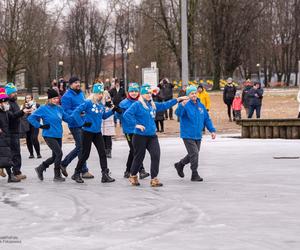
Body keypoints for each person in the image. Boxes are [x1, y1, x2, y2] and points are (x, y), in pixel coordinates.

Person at [123, 83, 188, 187]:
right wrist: (136, 125)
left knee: (156, 155)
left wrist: (178, 99)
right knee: (139, 157)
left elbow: (164, 105)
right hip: (139, 136)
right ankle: (133, 175)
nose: (149, 95)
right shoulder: (137, 104)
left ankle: (154, 179)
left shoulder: (152, 104)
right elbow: (126, 115)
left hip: (152, 136)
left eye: (150, 93)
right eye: (146, 93)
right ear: (142, 94)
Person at [71, 83, 117, 184]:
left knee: (103, 153)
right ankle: (76, 173)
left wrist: (113, 110)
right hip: (87, 132)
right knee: (85, 154)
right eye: (99, 93)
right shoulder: (87, 102)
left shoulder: (101, 105)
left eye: (102, 93)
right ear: (94, 93)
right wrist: (82, 123)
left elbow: (104, 116)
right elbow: (75, 113)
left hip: (97, 132)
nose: (101, 95)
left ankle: (105, 174)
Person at [174, 85, 216, 181]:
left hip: (198, 134)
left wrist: (212, 130)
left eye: (195, 93)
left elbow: (206, 119)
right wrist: (181, 106)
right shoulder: (185, 104)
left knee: (193, 154)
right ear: (188, 95)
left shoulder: (201, 106)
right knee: (195, 153)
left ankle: (180, 165)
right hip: (187, 134)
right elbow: (178, 114)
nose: (194, 95)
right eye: (191, 93)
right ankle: (194, 174)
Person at [28, 89, 71, 182]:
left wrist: (79, 117)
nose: (57, 100)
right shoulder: (43, 108)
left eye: (57, 98)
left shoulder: (59, 108)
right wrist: (40, 125)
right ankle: (57, 175)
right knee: (59, 153)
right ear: (50, 99)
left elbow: (68, 118)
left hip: (58, 135)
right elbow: (31, 118)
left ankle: (40, 168)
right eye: (54, 98)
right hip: (48, 135)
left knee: (55, 156)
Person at [60, 76, 94, 179]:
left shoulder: (81, 94)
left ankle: (68, 165)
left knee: (81, 147)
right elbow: (65, 111)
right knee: (81, 147)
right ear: (70, 85)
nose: (78, 84)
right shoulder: (66, 96)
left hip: (83, 124)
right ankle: (81, 169)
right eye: (75, 83)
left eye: (79, 82)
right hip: (74, 124)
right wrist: (78, 113)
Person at [119, 83, 150, 179]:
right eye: (132, 91)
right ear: (128, 92)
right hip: (129, 130)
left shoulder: (142, 102)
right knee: (136, 150)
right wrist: (119, 114)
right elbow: (119, 116)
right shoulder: (124, 103)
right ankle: (141, 170)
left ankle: (128, 171)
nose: (134, 93)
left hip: (138, 130)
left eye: (136, 91)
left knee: (133, 150)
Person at [5, 83, 30, 180]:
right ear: (8, 94)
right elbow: (11, 116)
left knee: (16, 152)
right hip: (10, 132)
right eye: (13, 92)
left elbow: (17, 115)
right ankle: (15, 172)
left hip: (15, 131)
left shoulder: (14, 102)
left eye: (15, 92)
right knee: (14, 153)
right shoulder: (7, 103)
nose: (15, 94)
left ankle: (16, 171)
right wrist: (22, 112)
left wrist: (24, 111)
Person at [0, 87, 20, 182]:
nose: (7, 105)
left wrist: (23, 111)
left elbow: (14, 116)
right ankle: (10, 176)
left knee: (6, 156)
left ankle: (10, 176)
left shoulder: (6, 112)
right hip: (2, 137)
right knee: (5, 156)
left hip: (5, 137)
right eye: (6, 103)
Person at [20, 95, 41, 159]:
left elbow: (41, 113)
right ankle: (31, 154)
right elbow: (20, 115)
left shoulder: (37, 105)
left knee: (34, 138)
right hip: (26, 124)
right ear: (25, 99)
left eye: (29, 98)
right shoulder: (23, 106)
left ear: (32, 98)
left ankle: (38, 153)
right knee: (28, 139)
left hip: (34, 124)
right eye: (27, 98)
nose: (28, 99)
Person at [101, 91, 115, 158]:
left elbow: (112, 107)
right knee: (103, 137)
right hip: (103, 122)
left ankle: (108, 151)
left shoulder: (108, 101)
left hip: (108, 121)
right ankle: (104, 151)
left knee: (108, 137)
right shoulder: (99, 101)